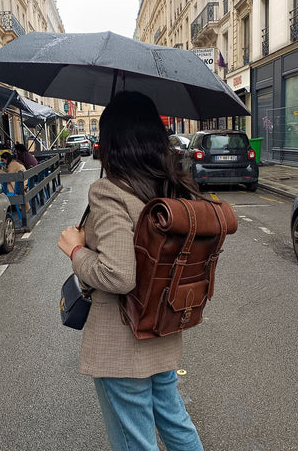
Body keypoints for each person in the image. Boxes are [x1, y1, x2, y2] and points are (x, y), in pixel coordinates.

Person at [58, 91, 204, 451]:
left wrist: (75, 250)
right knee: (175, 422)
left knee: (134, 442)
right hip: (162, 326)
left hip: (122, 341)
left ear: (111, 142)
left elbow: (119, 274)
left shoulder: (110, 191)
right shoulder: (173, 187)